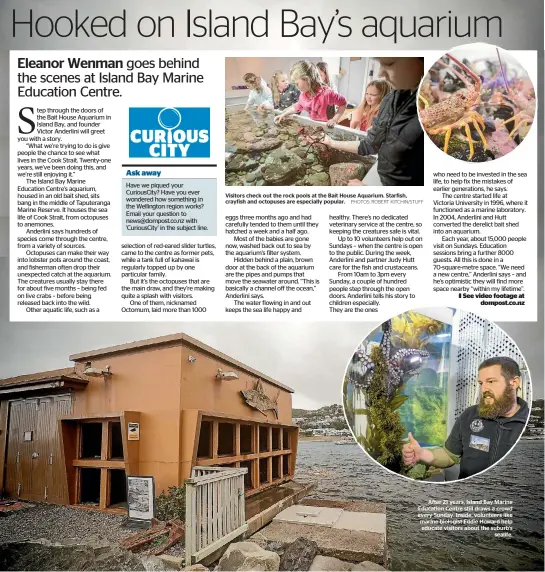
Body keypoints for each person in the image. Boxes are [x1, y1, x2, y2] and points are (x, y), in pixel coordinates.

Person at [403, 357, 529, 480]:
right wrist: (423, 454)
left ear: (514, 382)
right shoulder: (470, 415)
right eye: (481, 383)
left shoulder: (526, 423)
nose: (484, 389)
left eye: (491, 381)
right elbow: (449, 456)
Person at [310, 57, 425, 186]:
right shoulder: (392, 99)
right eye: (367, 94)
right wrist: (331, 142)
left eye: (389, 63)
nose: (380, 72)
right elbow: (371, 144)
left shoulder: (421, 111)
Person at [274, 60, 347, 127]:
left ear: (307, 79)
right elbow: (296, 107)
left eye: (297, 83)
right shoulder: (303, 96)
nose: (296, 87)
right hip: (314, 126)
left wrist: (334, 119)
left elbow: (343, 103)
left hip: (326, 127)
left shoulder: (327, 94)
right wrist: (283, 114)